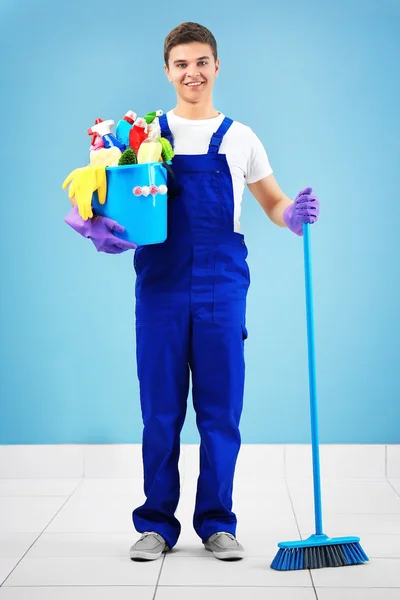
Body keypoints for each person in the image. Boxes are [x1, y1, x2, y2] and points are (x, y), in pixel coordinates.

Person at [65, 21, 320, 562]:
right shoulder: (143, 137)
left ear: (217, 66)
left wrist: (290, 215)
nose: (192, 72)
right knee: (160, 411)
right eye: (181, 63)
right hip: (159, 287)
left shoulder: (241, 137)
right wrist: (88, 225)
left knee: (220, 412)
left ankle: (217, 523)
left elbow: (272, 201)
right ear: (167, 70)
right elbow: (91, 192)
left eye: (201, 62)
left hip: (220, 288)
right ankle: (156, 524)